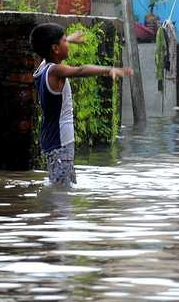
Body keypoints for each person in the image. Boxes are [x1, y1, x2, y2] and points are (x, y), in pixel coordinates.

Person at [30, 23, 134, 186]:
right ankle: (56, 211)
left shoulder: (43, 67)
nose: (68, 43)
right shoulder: (55, 71)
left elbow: (51, 49)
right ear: (55, 49)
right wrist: (109, 70)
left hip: (51, 137)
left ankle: (55, 209)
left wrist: (69, 39)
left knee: (64, 182)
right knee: (62, 189)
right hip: (60, 140)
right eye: (64, 41)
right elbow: (80, 70)